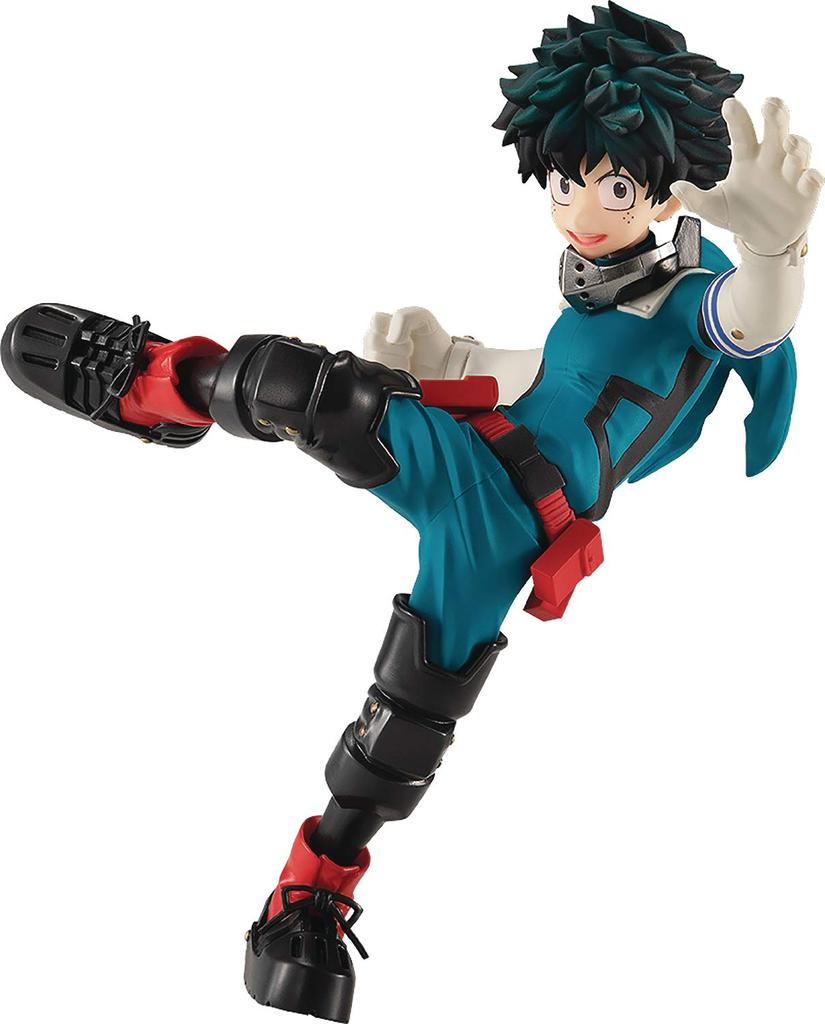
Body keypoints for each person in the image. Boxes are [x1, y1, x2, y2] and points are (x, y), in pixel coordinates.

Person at [1, 4, 820, 1021]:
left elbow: (753, 323)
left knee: (413, 706)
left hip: (514, 525)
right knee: (320, 389)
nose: (583, 210)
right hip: (475, 447)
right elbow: (558, 380)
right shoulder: (600, 287)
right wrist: (454, 357)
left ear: (664, 185)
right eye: (565, 183)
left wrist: (779, 250)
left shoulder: (698, 296)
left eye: (614, 187)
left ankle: (311, 891)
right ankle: (160, 386)